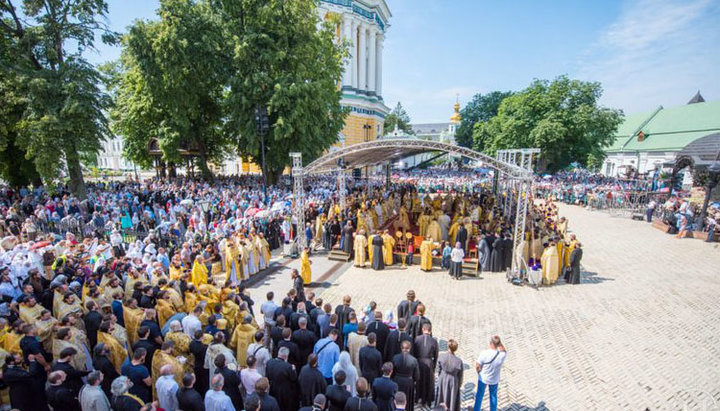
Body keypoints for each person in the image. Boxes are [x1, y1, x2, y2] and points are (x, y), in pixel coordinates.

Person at [472, 335, 507, 411]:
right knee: (493, 396)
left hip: (483, 378)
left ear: (490, 343)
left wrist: (479, 373)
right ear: (498, 344)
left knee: (479, 396)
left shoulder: (484, 353)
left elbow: (477, 366)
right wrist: (499, 343)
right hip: (494, 379)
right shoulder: (502, 355)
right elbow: (504, 350)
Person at [266, 347, 300, 411]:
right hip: (284, 392)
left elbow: (267, 375)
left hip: (272, 388)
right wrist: (294, 370)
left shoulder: (269, 362)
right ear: (286, 356)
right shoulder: (288, 366)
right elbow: (294, 378)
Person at [413, 323, 438, 407]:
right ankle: (427, 399)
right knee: (428, 381)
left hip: (419, 362)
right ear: (430, 331)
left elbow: (414, 352)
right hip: (429, 363)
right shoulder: (434, 341)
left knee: (419, 380)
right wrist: (433, 366)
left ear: (423, 330)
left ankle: (418, 397)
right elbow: (436, 355)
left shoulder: (417, 339)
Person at [392, 341, 420, 411]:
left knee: (396, 399)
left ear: (401, 348)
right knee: (408, 400)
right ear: (409, 348)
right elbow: (417, 376)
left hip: (397, 381)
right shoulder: (414, 360)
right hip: (408, 382)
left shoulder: (395, 358)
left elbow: (392, 372)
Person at [436, 339, 463, 411]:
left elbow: (438, 369)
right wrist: (459, 384)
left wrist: (440, 377)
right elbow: (460, 375)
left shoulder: (441, 357)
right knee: (451, 398)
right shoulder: (458, 361)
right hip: (453, 381)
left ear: (448, 347)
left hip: (443, 378)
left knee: (441, 395)